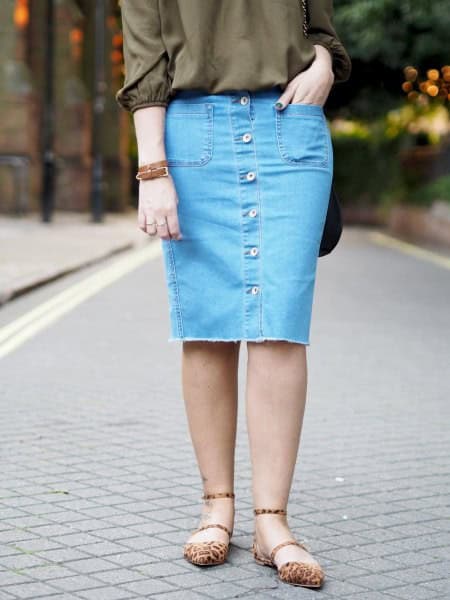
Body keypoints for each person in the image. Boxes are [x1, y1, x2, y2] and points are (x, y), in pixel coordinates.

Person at [116, 0, 351, 589]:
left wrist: (322, 63)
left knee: (281, 327)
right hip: (194, 135)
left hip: (289, 125)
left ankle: (274, 522)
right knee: (207, 326)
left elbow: (322, 32)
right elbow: (146, 64)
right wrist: (153, 170)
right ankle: (215, 508)